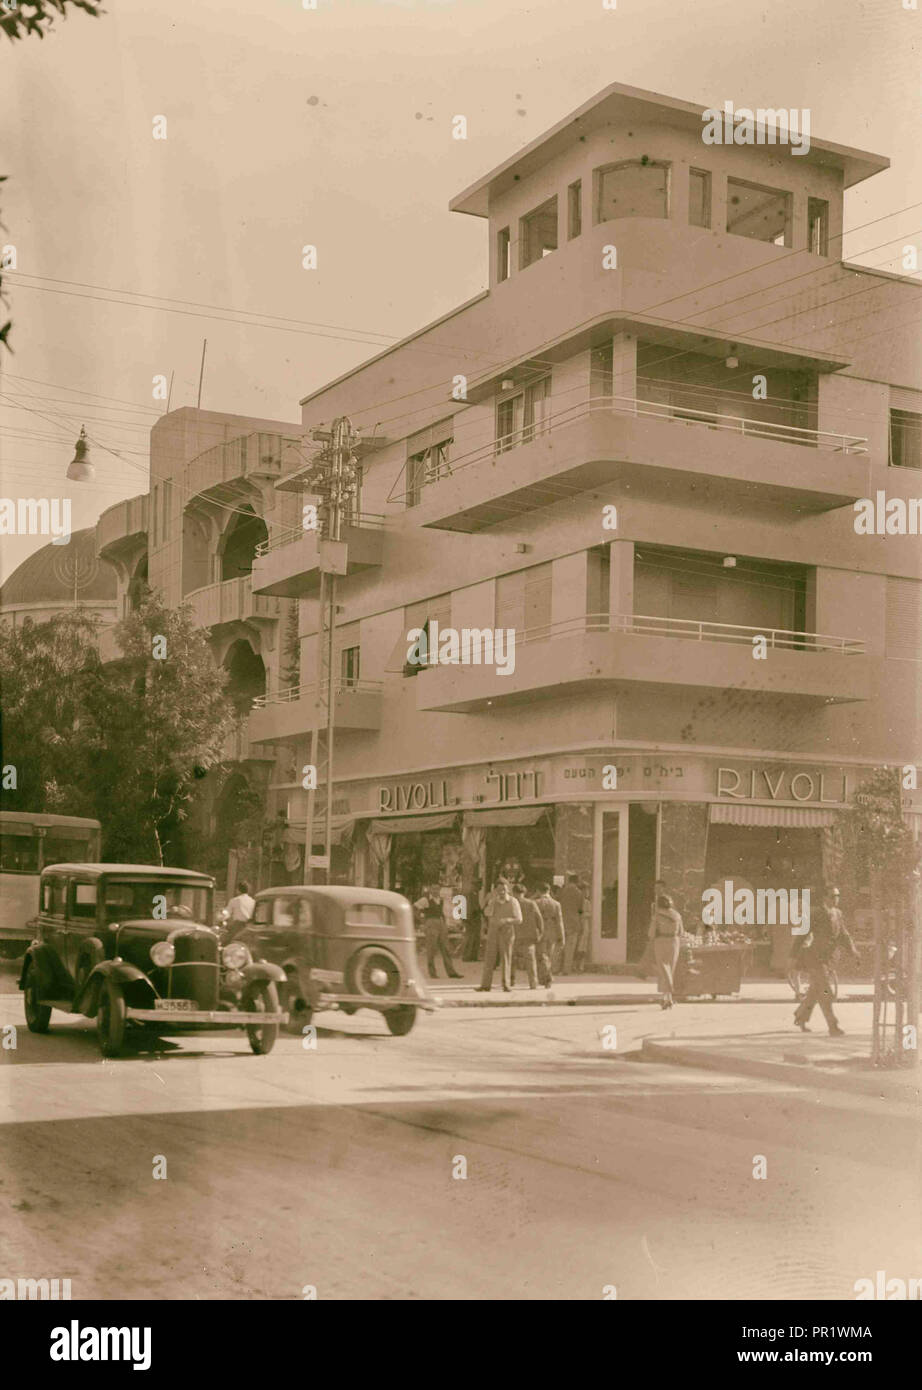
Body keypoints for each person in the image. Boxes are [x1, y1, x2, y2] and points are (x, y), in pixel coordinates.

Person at [793, 885, 859, 1036]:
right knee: (826, 992)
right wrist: (792, 956)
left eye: (837, 896)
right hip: (815, 958)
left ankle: (800, 1015)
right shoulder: (816, 913)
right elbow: (802, 935)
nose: (836, 899)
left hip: (829, 959)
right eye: (832, 896)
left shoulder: (838, 913)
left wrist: (853, 951)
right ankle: (833, 1026)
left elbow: (844, 934)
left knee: (815, 991)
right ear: (824, 898)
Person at [476, 878, 521, 992]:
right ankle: (485, 985)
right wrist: (490, 902)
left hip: (507, 932)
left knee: (506, 958)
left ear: (508, 889)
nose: (502, 892)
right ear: (496, 890)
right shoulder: (493, 901)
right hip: (493, 932)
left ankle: (506, 984)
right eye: (499, 889)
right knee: (489, 958)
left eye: (504, 889)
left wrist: (507, 920)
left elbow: (519, 919)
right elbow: (486, 913)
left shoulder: (513, 901)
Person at [415, 884, 461, 979]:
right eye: (434, 889)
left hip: (441, 923)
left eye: (437, 889)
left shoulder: (441, 900)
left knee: (446, 948)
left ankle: (451, 972)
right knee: (432, 949)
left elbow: (443, 913)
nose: (436, 891)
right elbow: (415, 909)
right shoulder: (425, 900)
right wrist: (422, 921)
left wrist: (445, 923)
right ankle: (432, 973)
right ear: (430, 890)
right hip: (431, 923)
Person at [649, 891, 683, 1009]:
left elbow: (651, 933)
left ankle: (667, 996)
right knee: (670, 970)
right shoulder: (677, 915)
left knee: (663, 970)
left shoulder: (657, 916)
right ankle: (668, 998)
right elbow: (681, 932)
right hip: (674, 943)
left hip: (661, 942)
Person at [510, 883, 543, 989]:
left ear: (514, 893)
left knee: (511, 960)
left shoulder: (511, 903)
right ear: (524, 892)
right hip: (529, 936)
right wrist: (540, 932)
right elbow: (539, 919)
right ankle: (533, 983)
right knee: (530, 961)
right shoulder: (531, 903)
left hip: (513, 935)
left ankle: (511, 981)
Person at [533, 882, 564, 984]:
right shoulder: (556, 904)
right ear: (549, 890)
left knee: (541, 955)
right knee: (549, 955)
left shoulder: (535, 902)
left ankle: (546, 977)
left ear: (538, 891)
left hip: (540, 931)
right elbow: (559, 921)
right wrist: (561, 936)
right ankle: (546, 976)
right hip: (552, 931)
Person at [560, 873, 586, 974]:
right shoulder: (579, 893)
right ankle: (566, 969)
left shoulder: (562, 891)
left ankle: (554, 968)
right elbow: (580, 910)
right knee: (570, 948)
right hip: (574, 922)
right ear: (577, 881)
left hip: (562, 921)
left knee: (559, 946)